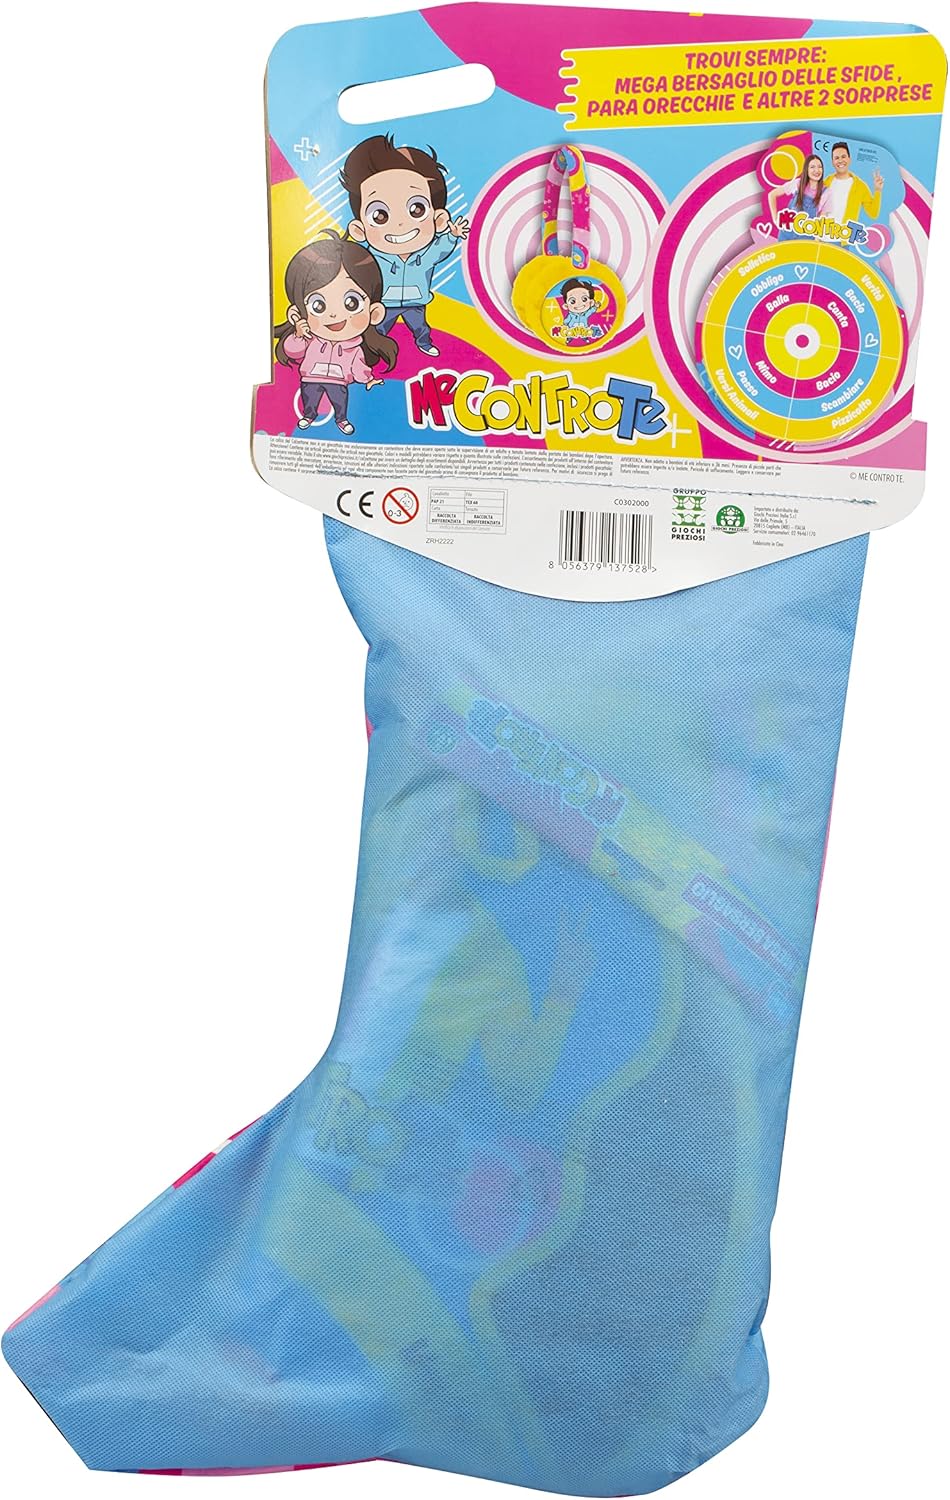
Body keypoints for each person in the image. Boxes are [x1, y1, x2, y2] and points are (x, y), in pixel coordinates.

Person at [342, 133, 469, 358]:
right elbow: (356, 266)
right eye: (380, 215)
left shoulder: (427, 254)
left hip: (416, 300)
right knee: (379, 328)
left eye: (416, 209)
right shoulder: (371, 256)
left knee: (420, 326)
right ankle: (371, 350)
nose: (400, 224)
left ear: (438, 219)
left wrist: (452, 235)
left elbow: (441, 248)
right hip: (385, 302)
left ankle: (424, 342)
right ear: (360, 229)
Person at [274, 234, 397, 435]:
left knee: (340, 402)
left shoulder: (353, 347)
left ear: (374, 313)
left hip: (339, 381)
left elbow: (358, 366)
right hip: (311, 377)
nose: (333, 314)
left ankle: (341, 420)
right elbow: (293, 351)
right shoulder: (309, 337)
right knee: (309, 399)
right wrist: (298, 335)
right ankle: (309, 415)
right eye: (318, 305)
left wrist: (368, 379)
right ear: (296, 314)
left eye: (351, 303)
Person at [823, 141, 884, 224]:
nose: (840, 160)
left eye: (843, 156)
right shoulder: (826, 182)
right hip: (822, 231)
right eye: (836, 158)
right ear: (832, 162)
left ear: (849, 159)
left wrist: (878, 190)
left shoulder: (860, 186)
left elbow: (873, 213)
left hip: (846, 232)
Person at [767, 152, 828, 223]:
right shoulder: (797, 183)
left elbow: (821, 220)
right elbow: (772, 195)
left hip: (808, 229)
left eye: (820, 167)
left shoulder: (825, 192)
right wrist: (775, 219)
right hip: (789, 227)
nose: (817, 170)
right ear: (806, 169)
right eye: (812, 167)